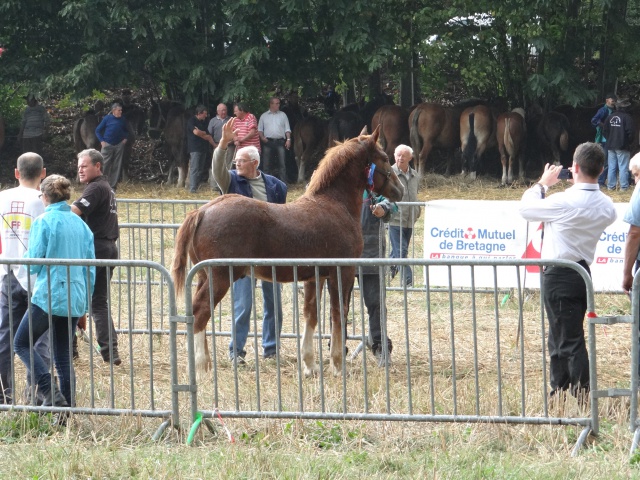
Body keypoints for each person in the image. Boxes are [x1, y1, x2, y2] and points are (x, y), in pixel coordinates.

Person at [519, 142, 617, 400]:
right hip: (580, 272)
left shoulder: (563, 201)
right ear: (602, 169)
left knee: (568, 338)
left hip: (559, 273)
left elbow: (526, 209)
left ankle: (581, 393)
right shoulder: (607, 206)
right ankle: (560, 388)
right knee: (560, 333)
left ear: (574, 168)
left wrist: (542, 184)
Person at [13, 174, 95, 412]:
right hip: (75, 296)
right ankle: (66, 412)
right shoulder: (82, 225)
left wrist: (24, 258)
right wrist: (85, 304)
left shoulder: (43, 222)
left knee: (22, 343)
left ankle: (49, 390)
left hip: (49, 296)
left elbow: (34, 264)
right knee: (63, 357)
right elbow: (91, 267)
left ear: (45, 196)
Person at [212, 118, 287, 363]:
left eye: (240, 161)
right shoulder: (231, 180)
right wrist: (223, 144)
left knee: (274, 304)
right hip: (243, 254)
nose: (236, 164)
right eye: (235, 161)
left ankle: (271, 350)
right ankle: (237, 352)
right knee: (243, 305)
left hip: (272, 253)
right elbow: (218, 171)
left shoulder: (277, 186)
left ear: (254, 163)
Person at [0, 152, 49, 405]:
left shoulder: (1, 198)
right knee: (40, 339)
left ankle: (2, 395)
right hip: (37, 276)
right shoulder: (44, 200)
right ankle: (38, 398)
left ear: (16, 173)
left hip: (7, 273)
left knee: (5, 337)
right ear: (42, 173)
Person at [71, 149, 121, 366]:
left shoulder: (95, 188)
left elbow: (72, 212)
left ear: (98, 166)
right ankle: (111, 353)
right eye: (79, 166)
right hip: (108, 247)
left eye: (85, 166)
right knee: (98, 302)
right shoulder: (105, 187)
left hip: (96, 249)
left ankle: (68, 348)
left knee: (75, 298)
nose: (80, 170)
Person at [360, 191, 397, 367]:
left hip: (371, 254)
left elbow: (392, 200)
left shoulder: (373, 180)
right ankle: (336, 347)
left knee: (376, 304)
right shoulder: (340, 177)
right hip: (343, 253)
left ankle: (379, 344)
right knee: (339, 306)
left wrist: (384, 207)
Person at [388, 144, 421, 287]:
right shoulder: (389, 174)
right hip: (395, 219)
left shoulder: (415, 175)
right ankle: (408, 281)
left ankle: (388, 270)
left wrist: (417, 211)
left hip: (409, 220)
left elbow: (415, 195)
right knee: (401, 251)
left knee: (398, 252)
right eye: (398, 155)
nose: (400, 158)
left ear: (410, 158)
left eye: (403, 155)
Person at [95, 103, 129, 190]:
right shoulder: (107, 118)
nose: (121, 112)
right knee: (104, 164)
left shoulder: (123, 119)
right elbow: (98, 130)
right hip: (107, 144)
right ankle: (102, 184)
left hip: (119, 145)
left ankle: (113, 186)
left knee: (117, 165)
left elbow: (126, 130)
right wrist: (102, 141)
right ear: (114, 110)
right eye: (119, 110)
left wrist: (125, 139)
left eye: (121, 110)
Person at [603, 98, 635, 191]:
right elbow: (631, 132)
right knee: (623, 167)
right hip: (622, 146)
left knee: (611, 167)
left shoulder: (610, 117)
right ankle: (623, 187)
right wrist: (628, 142)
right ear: (625, 108)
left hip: (610, 146)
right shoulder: (627, 118)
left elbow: (604, 131)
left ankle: (610, 187)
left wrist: (610, 140)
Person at [258, 97, 292, 182]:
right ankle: (267, 183)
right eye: (276, 103)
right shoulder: (264, 116)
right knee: (266, 164)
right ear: (271, 104)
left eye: (278, 103)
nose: (278, 105)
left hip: (280, 141)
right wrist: (262, 138)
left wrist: (288, 139)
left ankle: (283, 183)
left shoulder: (283, 115)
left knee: (282, 164)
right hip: (268, 142)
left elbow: (287, 129)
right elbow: (260, 130)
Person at [186, 105, 214, 193]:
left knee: (200, 168)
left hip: (203, 148)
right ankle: (192, 188)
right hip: (195, 148)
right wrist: (202, 133)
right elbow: (196, 132)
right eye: (204, 114)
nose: (206, 116)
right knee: (194, 168)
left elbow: (208, 135)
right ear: (199, 113)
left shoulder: (204, 122)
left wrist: (202, 133)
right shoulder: (191, 121)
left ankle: (196, 185)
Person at [591, 93, 616, 186]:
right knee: (604, 161)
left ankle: (602, 181)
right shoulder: (602, 110)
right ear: (607, 100)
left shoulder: (614, 111)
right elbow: (593, 120)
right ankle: (600, 181)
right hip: (602, 139)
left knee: (609, 162)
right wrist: (602, 125)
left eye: (614, 100)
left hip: (611, 139)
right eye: (611, 99)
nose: (613, 101)